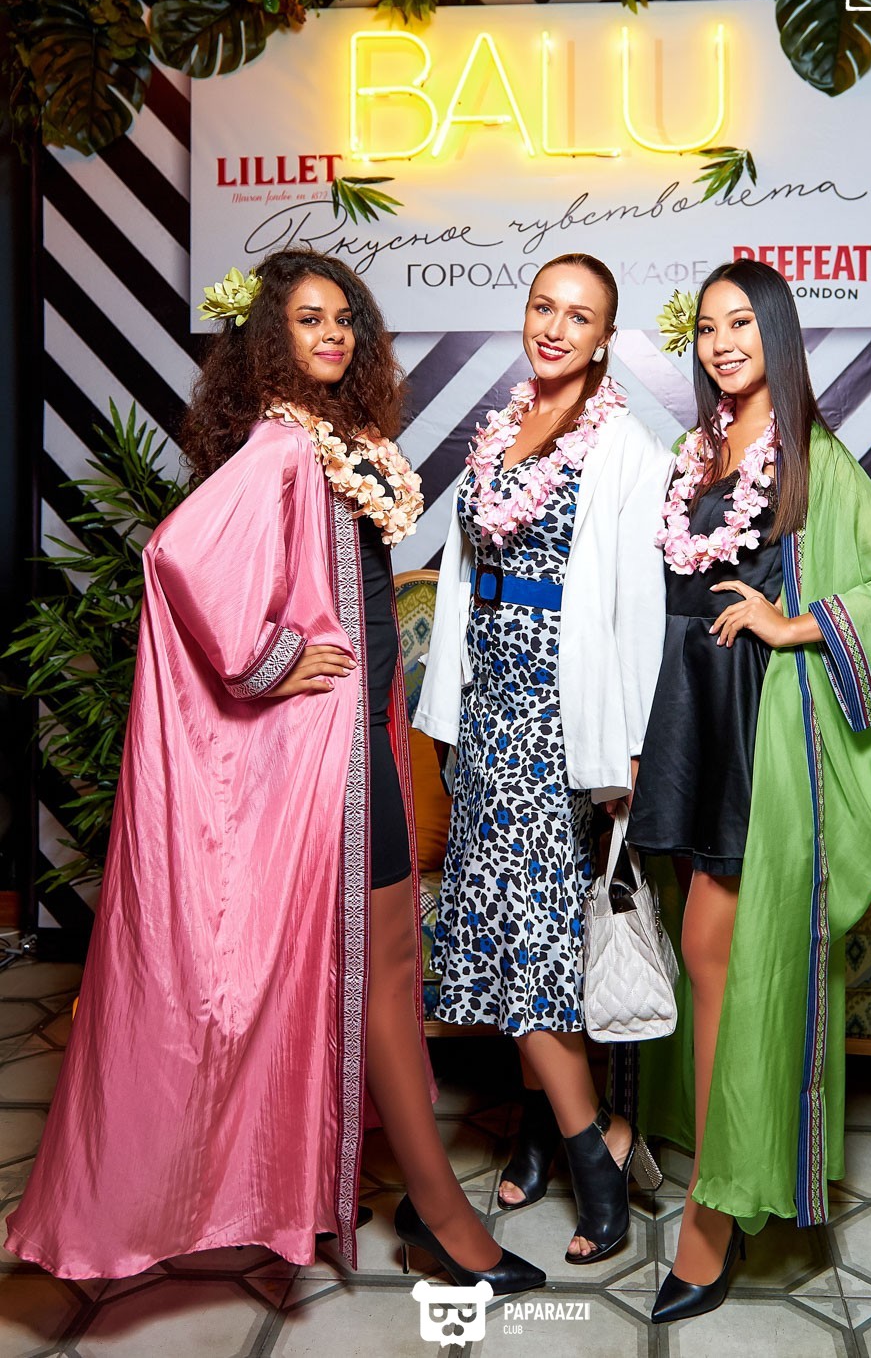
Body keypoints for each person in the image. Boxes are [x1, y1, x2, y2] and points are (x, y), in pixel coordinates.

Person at [5, 249, 543, 1296]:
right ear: (271, 340)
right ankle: (439, 1217)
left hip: (366, 742)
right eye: (308, 319)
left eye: (344, 318)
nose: (333, 333)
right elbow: (179, 556)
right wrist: (275, 659)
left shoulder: (343, 441)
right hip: (327, 760)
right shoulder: (285, 446)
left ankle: (401, 1203)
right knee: (385, 970)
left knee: (385, 968)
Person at [626, 258, 871, 1323]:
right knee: (702, 954)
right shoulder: (696, 453)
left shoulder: (813, 457)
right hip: (690, 722)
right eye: (708, 328)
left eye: (741, 324)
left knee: (723, 952)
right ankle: (724, 1168)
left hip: (764, 729)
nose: (722, 343)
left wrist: (792, 623)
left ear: (777, 334)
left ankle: (713, 1218)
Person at [415, 253, 672, 1264]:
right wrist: (447, 711)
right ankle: (536, 1131)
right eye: (543, 307)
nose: (555, 328)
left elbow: (639, 608)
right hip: (485, 706)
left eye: (580, 315)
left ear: (606, 336)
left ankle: (597, 1154)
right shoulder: (501, 427)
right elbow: (460, 575)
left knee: (533, 940)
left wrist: (633, 746)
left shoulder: (626, 446)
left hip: (558, 716)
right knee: (511, 932)